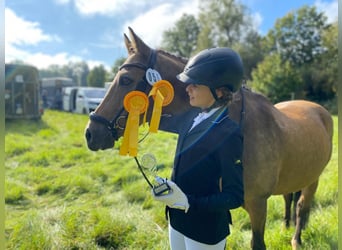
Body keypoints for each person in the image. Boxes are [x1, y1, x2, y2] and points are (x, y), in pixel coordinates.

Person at [152, 47, 245, 250]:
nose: (187, 88)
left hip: (205, 230)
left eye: (195, 84)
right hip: (176, 219)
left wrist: (188, 203)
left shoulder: (228, 133)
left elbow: (234, 196)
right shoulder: (189, 117)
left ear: (219, 91)